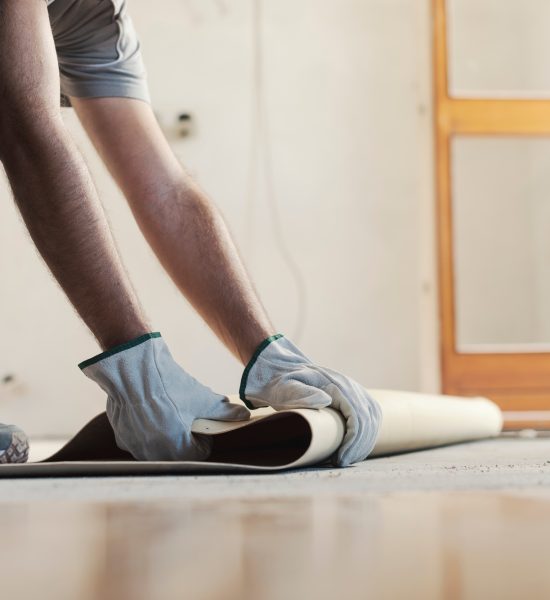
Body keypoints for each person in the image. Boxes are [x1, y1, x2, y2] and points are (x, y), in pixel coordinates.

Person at [0, 0, 381, 466]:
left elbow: (165, 188)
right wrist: (138, 369)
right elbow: (24, 129)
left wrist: (267, 352)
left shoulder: (96, 16)